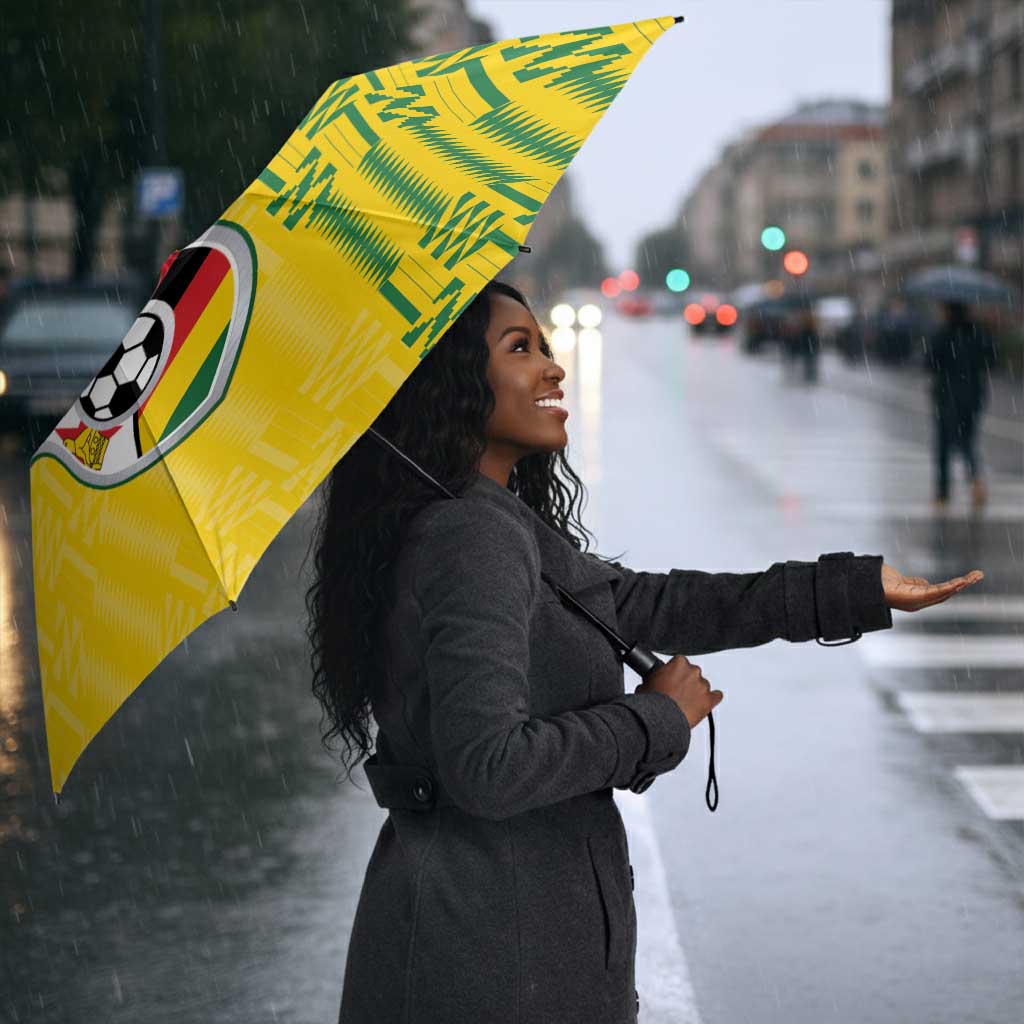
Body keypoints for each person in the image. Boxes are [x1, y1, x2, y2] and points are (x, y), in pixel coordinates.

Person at [308, 279, 983, 1024]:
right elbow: (489, 768)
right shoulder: (475, 536)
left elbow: (656, 602)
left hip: (484, 936)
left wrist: (854, 590)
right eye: (521, 348)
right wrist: (656, 719)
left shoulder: (487, 521)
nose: (553, 367)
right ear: (454, 382)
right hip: (498, 955)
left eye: (544, 345)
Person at [926, 300, 999, 514]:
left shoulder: (943, 334)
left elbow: (929, 362)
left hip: (946, 396)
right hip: (973, 395)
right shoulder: (979, 333)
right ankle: (975, 478)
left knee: (942, 446)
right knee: (967, 440)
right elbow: (992, 360)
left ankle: (942, 494)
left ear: (948, 311)